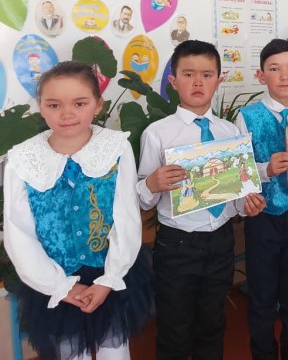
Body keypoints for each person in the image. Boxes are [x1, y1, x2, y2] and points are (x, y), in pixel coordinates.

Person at [3, 61, 152, 360]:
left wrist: (109, 279)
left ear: (98, 105)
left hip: (108, 272)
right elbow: (18, 232)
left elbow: (126, 216)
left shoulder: (116, 148)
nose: (67, 113)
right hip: (54, 278)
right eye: (54, 105)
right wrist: (60, 286)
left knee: (115, 350)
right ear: (41, 107)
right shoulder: (21, 159)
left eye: (79, 103)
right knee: (70, 353)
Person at [136, 39, 266, 360]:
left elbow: (236, 196)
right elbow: (143, 201)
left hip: (221, 242)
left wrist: (247, 204)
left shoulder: (229, 132)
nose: (198, 82)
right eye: (188, 74)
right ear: (173, 81)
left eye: (207, 75)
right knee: (175, 329)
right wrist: (152, 182)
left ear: (218, 81)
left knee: (213, 323)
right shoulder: (157, 133)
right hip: (177, 245)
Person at [235, 39, 288, 360]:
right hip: (263, 217)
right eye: (274, 69)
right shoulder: (247, 116)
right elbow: (239, 172)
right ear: (261, 76)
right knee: (262, 296)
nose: (284, 76)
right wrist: (266, 169)